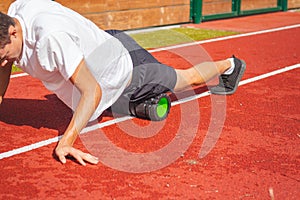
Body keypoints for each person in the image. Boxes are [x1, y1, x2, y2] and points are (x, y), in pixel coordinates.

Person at [0, 0, 246, 166]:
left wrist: (66, 142)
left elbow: (92, 92)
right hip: (105, 44)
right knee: (111, 105)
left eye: (2, 56)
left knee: (184, 78)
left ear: (13, 32)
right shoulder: (17, 10)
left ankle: (230, 65)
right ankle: (139, 105)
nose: (3, 63)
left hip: (132, 69)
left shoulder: (51, 40)